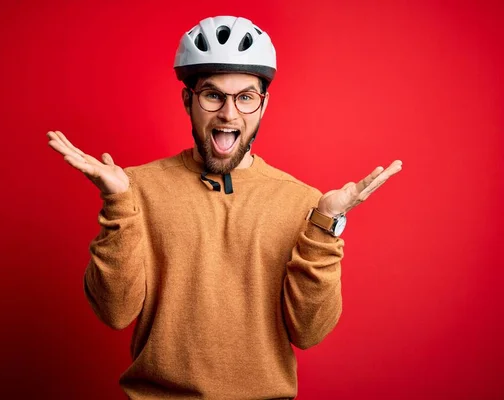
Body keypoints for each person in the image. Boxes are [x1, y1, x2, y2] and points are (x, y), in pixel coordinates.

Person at [47, 15, 402, 400]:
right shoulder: (136, 188)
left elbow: (310, 332)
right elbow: (114, 313)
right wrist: (118, 203)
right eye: (213, 95)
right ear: (188, 101)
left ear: (263, 106)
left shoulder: (303, 203)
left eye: (246, 97)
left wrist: (325, 225)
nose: (229, 114)